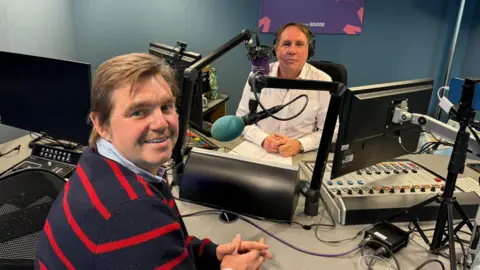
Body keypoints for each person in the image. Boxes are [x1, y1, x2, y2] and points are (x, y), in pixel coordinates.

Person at [35, 53, 272, 269]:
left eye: (166, 106)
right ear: (101, 124)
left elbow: (165, 245)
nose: (161, 124)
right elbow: (147, 236)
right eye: (138, 112)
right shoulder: (133, 213)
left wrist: (213, 255)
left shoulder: (95, 160)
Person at [236, 22, 338, 157]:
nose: (292, 51)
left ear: (309, 50)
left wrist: (299, 144)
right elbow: (241, 120)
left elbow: (331, 131)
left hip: (299, 156)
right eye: (286, 44)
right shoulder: (257, 76)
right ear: (276, 49)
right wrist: (263, 140)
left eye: (299, 44)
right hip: (259, 151)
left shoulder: (323, 82)